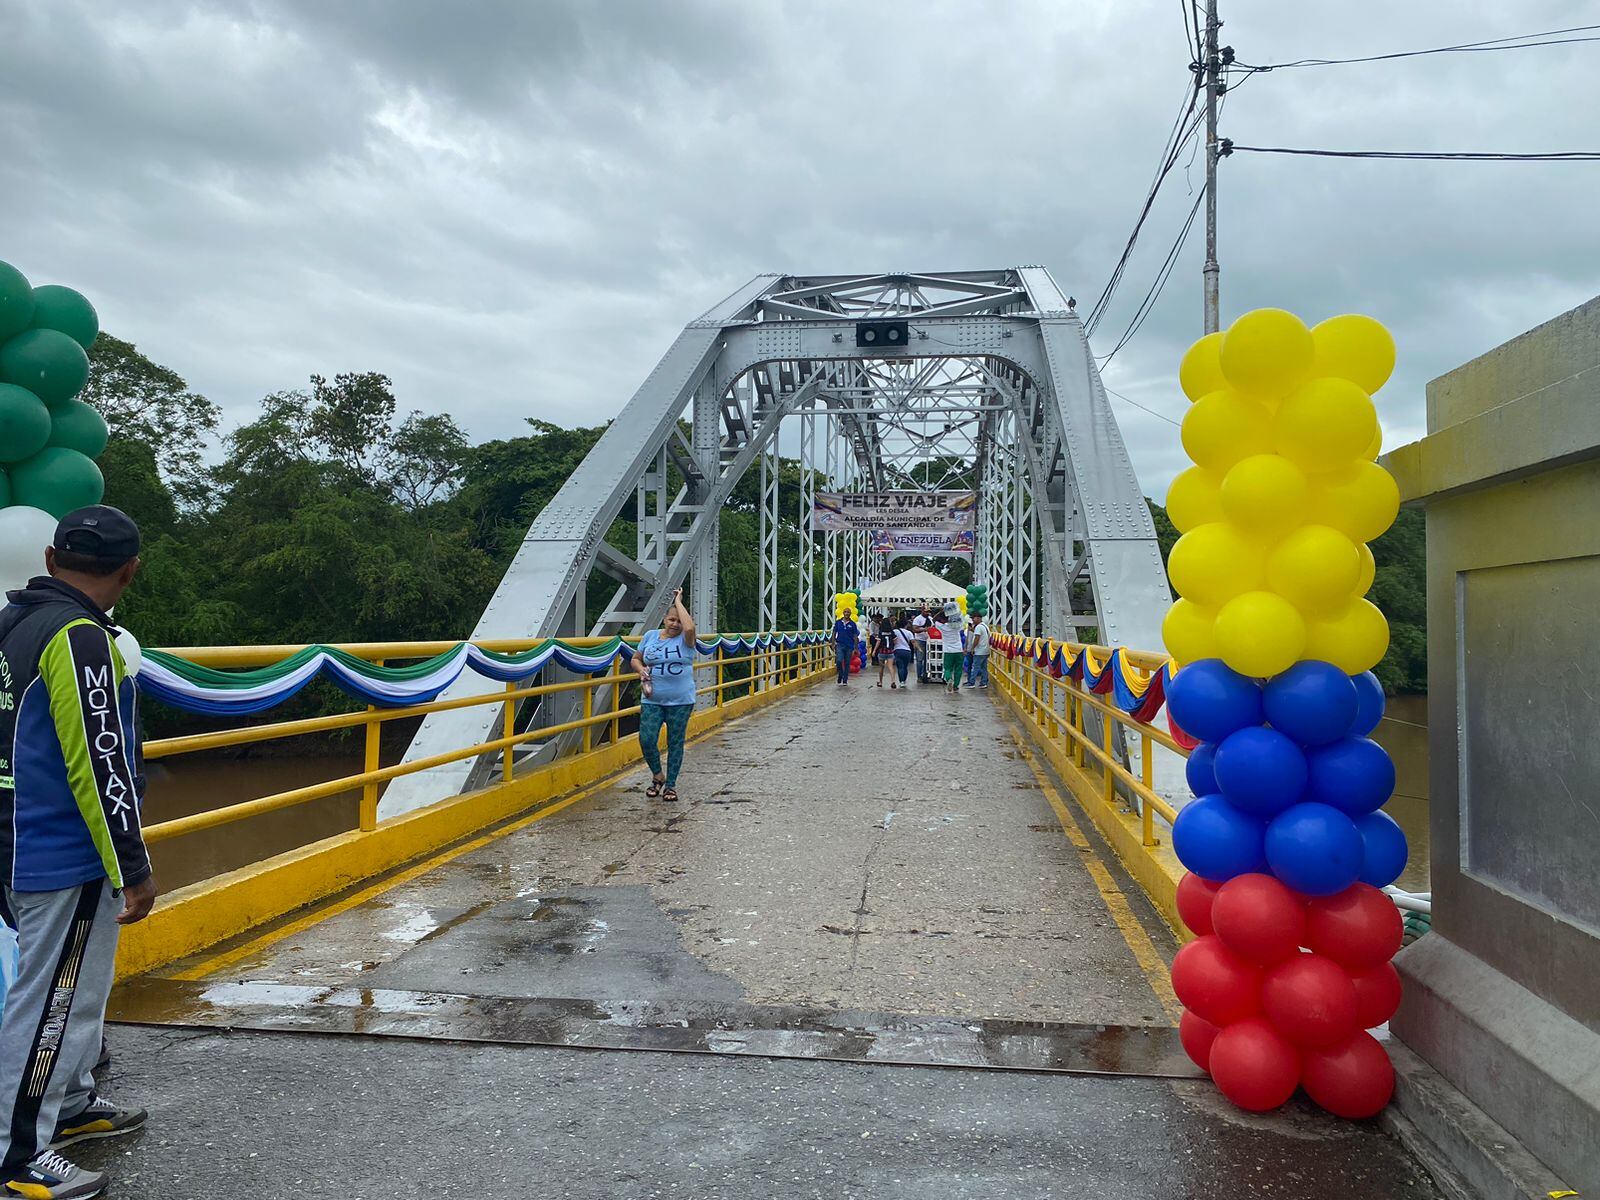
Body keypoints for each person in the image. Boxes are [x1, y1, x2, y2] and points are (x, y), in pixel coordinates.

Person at [0, 505, 155, 1200]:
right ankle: (15, 1155)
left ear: (51, 557)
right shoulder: (79, 637)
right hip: (58, 850)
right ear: (130, 570)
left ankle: (66, 1105)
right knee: (51, 1002)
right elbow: (101, 762)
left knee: (71, 992)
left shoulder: (12, 626)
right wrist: (134, 866)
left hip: (15, 838)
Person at [631, 588, 697, 803]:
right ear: (664, 619)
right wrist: (641, 669)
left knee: (675, 743)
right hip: (652, 698)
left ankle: (671, 786)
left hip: (680, 700)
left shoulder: (686, 640)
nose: (675, 624)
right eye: (671, 619)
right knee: (647, 739)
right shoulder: (650, 636)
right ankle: (658, 775)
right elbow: (635, 658)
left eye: (678, 620)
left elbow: (689, 627)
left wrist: (678, 601)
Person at [937, 606, 967, 693]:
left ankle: (949, 679)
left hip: (948, 651)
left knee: (947, 668)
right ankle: (956, 686)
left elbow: (934, 620)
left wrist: (941, 612)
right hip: (958, 650)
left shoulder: (942, 627)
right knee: (958, 670)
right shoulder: (957, 627)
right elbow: (962, 621)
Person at [831, 608, 859, 687]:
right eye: (845, 612)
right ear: (843, 613)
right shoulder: (838, 623)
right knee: (839, 661)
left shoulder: (852, 624)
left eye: (848, 612)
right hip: (840, 644)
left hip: (849, 645)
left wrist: (856, 647)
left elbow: (855, 635)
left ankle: (845, 680)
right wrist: (833, 643)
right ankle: (840, 674)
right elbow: (834, 632)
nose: (846, 613)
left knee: (847, 663)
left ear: (850, 614)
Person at [966, 613, 991, 689]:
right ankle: (984, 682)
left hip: (979, 651)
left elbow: (977, 638)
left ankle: (971, 683)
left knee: (975, 667)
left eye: (974, 618)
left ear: (979, 618)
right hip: (986, 650)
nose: (972, 620)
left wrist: (973, 648)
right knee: (984, 668)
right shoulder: (985, 626)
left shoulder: (979, 627)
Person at [891, 613, 916, 689]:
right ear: (905, 625)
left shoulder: (894, 631)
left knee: (900, 667)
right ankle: (904, 681)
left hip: (897, 650)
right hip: (907, 651)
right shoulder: (909, 632)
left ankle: (901, 682)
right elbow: (913, 642)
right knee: (905, 667)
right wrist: (917, 649)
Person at [911, 606, 931, 682]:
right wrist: (924, 629)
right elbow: (915, 629)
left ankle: (925, 675)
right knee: (919, 659)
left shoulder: (930, 619)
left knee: (927, 659)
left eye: (928, 611)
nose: (927, 613)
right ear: (922, 611)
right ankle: (919, 676)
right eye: (926, 611)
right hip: (920, 640)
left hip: (929, 641)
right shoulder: (917, 619)